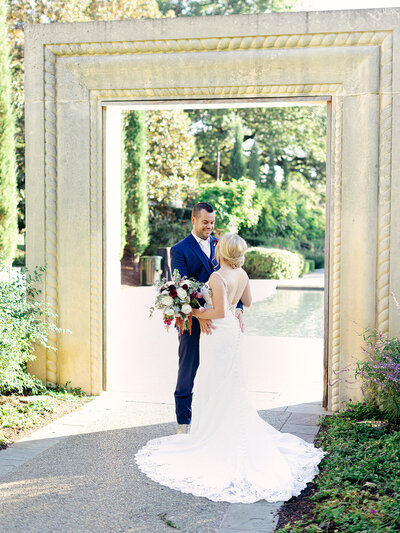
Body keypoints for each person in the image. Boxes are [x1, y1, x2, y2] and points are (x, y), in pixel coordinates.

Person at [135, 233, 327, 504]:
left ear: (220, 252)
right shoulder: (243, 274)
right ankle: (227, 426)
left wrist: (191, 312)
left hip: (218, 333)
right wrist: (235, 309)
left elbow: (219, 312)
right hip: (232, 335)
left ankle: (212, 433)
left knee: (214, 380)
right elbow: (245, 303)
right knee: (229, 382)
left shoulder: (217, 276)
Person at [169, 203, 243, 434]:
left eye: (212, 222)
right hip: (192, 320)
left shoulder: (221, 245)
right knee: (188, 368)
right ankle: (184, 422)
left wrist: (238, 306)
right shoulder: (179, 250)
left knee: (218, 370)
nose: (210, 227)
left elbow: (233, 274)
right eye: (205, 222)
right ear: (193, 220)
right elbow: (180, 285)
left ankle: (213, 421)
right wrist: (198, 314)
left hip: (219, 324)